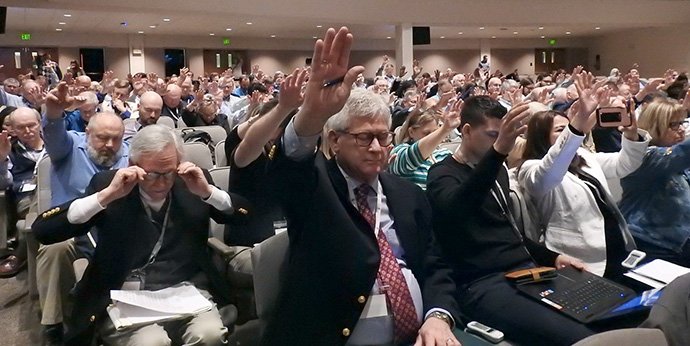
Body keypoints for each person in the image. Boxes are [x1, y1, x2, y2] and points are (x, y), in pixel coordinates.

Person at [263, 27, 460, 346]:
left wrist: (438, 317)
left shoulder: (407, 194)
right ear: (334, 140)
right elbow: (288, 171)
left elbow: (435, 264)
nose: (376, 147)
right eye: (364, 137)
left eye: (383, 137)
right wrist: (311, 115)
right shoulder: (316, 187)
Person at [32, 124, 252, 345]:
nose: (162, 183)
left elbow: (245, 216)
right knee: (150, 342)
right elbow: (44, 231)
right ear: (132, 166)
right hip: (126, 295)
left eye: (169, 173)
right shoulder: (109, 185)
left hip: (185, 292)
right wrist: (106, 196)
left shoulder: (192, 181)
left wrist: (208, 193)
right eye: (153, 174)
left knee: (209, 334)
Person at [426, 95, 594, 346]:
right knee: (580, 337)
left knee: (609, 314)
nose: (502, 142)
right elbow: (459, 209)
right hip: (483, 284)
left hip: (528, 272)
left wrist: (552, 257)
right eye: (493, 135)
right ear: (467, 131)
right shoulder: (442, 174)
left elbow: (507, 232)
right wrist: (497, 153)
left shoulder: (499, 171)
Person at [517, 72, 649, 278]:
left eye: (567, 129)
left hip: (616, 248)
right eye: (561, 130)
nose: (567, 134)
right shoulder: (529, 169)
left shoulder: (583, 157)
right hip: (578, 258)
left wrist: (631, 134)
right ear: (542, 137)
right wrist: (577, 123)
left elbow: (624, 164)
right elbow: (550, 173)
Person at [37, 80, 130, 345]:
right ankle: (54, 325)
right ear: (87, 132)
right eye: (102, 138)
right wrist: (54, 111)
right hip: (70, 228)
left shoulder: (128, 156)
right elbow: (54, 132)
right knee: (55, 249)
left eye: (116, 139)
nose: (110, 145)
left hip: (110, 228)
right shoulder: (67, 148)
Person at [223, 68, 306, 246]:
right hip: (249, 241)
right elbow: (250, 139)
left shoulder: (287, 153)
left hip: (283, 235)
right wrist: (282, 108)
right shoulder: (247, 154)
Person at [619, 99, 690, 266]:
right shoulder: (643, 158)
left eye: (682, 123)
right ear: (654, 126)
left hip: (679, 241)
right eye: (674, 125)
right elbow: (681, 153)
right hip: (652, 244)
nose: (681, 130)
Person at [0, 107, 46, 278]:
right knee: (39, 207)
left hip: (53, 193)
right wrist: (2, 160)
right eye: (20, 128)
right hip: (26, 199)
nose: (27, 131)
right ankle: (21, 255)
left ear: (40, 123)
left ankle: (19, 255)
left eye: (31, 125)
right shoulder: (7, 149)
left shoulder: (55, 145)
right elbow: (4, 184)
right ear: (12, 128)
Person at [389, 102, 461, 190]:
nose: (433, 137)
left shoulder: (444, 153)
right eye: (427, 133)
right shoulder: (399, 151)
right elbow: (413, 156)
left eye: (434, 132)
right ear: (411, 132)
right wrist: (445, 129)